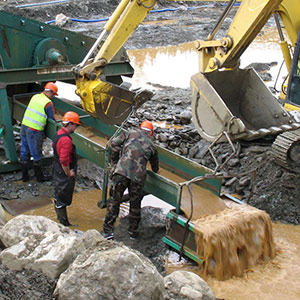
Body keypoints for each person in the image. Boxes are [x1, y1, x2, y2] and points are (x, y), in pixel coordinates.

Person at [102, 120, 160, 240]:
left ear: (140, 128)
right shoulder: (152, 146)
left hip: (121, 172)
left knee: (114, 201)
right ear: (151, 133)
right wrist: (157, 171)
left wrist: (114, 162)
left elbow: (113, 144)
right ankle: (132, 232)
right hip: (137, 178)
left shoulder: (130, 133)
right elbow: (155, 168)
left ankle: (107, 231)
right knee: (135, 204)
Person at [20, 82, 58, 182]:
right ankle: (40, 178)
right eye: (53, 95)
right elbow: (52, 119)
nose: (53, 97)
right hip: (34, 130)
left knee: (25, 150)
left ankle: (25, 176)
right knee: (36, 153)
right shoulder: (48, 103)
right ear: (51, 93)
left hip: (24, 126)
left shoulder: (35, 96)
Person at [52, 111, 80, 226]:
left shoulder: (59, 133)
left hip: (57, 168)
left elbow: (53, 147)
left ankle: (60, 219)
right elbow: (64, 160)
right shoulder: (66, 140)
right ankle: (64, 224)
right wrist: (69, 173)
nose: (76, 128)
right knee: (63, 195)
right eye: (75, 125)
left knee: (59, 193)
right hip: (63, 171)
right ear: (70, 124)